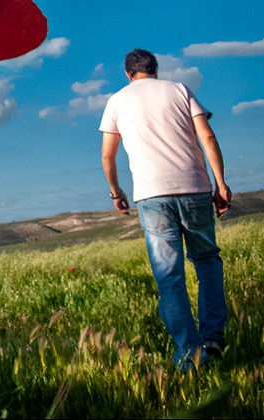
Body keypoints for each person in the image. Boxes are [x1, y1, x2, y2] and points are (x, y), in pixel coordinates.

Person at [99, 48, 230, 371]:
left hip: (152, 195)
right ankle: (213, 338)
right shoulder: (180, 90)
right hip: (195, 188)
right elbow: (207, 136)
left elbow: (107, 155)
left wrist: (116, 192)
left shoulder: (117, 100)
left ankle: (189, 355)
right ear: (155, 70)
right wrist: (221, 183)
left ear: (128, 74)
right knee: (206, 260)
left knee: (169, 276)